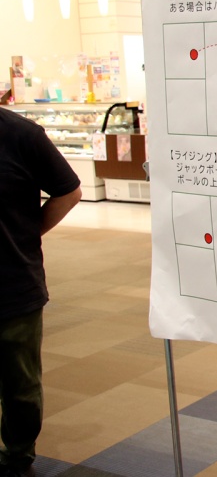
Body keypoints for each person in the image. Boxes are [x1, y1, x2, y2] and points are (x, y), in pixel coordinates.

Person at [1, 108, 82, 477]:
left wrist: (28, 235)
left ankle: (17, 457)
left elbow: (69, 191)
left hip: (13, 284)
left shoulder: (22, 135)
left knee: (19, 384)